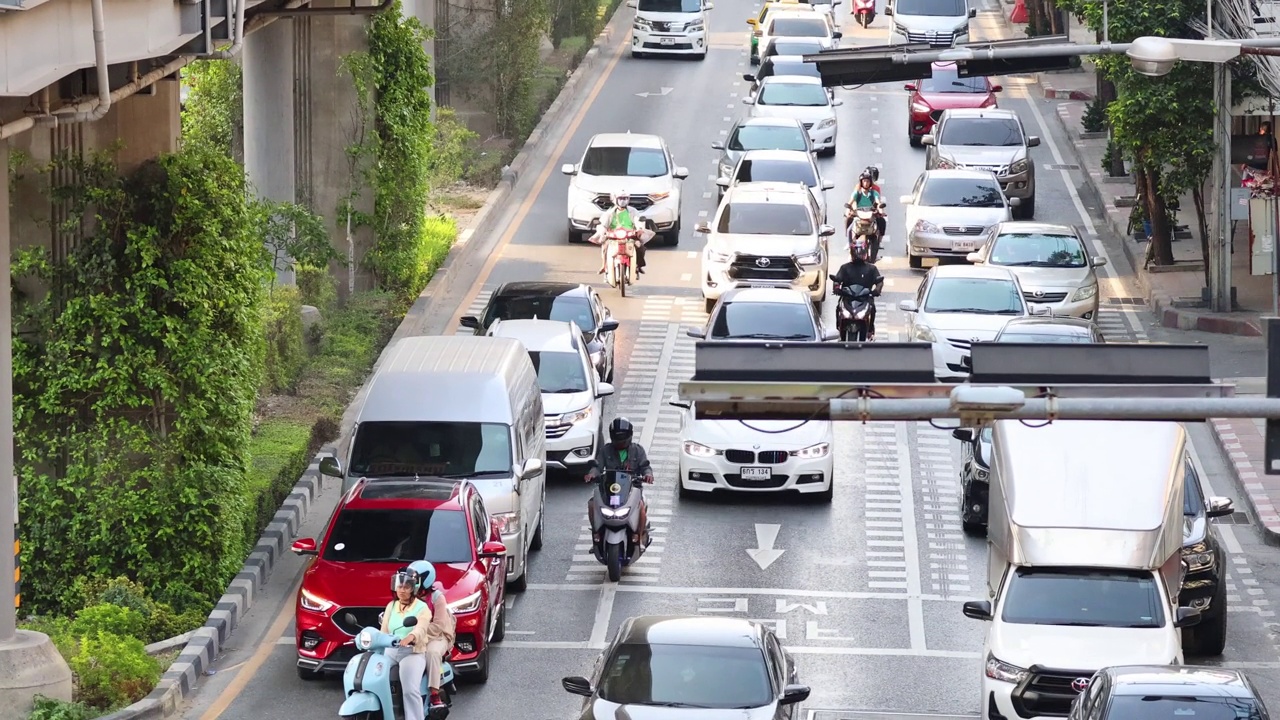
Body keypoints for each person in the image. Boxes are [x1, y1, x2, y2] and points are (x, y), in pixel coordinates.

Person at [380, 562, 455, 720]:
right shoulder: (405, 599)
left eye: (414, 579)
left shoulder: (436, 597)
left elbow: (439, 625)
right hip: (409, 638)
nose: (407, 584)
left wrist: (415, 633)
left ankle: (434, 695)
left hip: (437, 635)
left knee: (432, 653)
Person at [586, 417, 654, 547]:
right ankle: (596, 533)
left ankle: (638, 537)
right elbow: (597, 466)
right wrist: (592, 474)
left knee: (641, 508)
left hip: (633, 489)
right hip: (610, 489)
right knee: (591, 504)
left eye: (622, 439)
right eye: (617, 439)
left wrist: (648, 475)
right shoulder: (606, 450)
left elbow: (646, 467)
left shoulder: (638, 450)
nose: (620, 442)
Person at [831, 240, 884, 340]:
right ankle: (839, 327)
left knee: (872, 308)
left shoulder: (871, 269)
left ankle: (870, 330)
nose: (858, 255)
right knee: (838, 307)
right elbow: (837, 279)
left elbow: (879, 281)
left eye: (861, 252)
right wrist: (836, 287)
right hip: (848, 298)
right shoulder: (845, 268)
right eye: (856, 252)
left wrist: (877, 290)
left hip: (865, 298)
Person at [593, 192, 649, 276]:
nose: (623, 201)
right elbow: (603, 224)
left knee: (639, 247)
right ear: (615, 199)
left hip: (630, 236)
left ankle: (638, 265)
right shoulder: (610, 212)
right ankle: (604, 266)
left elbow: (638, 221)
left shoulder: (633, 211)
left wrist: (640, 229)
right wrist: (603, 231)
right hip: (613, 236)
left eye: (625, 198)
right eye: (621, 198)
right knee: (605, 246)